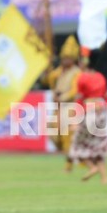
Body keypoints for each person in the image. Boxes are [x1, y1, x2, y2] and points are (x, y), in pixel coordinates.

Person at [69, 47, 107, 184]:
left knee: (76, 145)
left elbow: (79, 99)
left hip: (89, 113)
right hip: (101, 114)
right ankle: (105, 178)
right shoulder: (101, 77)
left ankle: (92, 167)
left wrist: (74, 120)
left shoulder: (82, 78)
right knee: (98, 147)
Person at [43, 36, 83, 171]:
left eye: (68, 58)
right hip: (59, 107)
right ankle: (72, 155)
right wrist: (48, 65)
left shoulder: (77, 72)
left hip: (70, 106)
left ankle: (69, 163)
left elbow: (75, 90)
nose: (65, 60)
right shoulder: (59, 71)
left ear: (73, 59)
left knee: (67, 135)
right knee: (52, 133)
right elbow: (48, 79)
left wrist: (62, 97)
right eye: (64, 58)